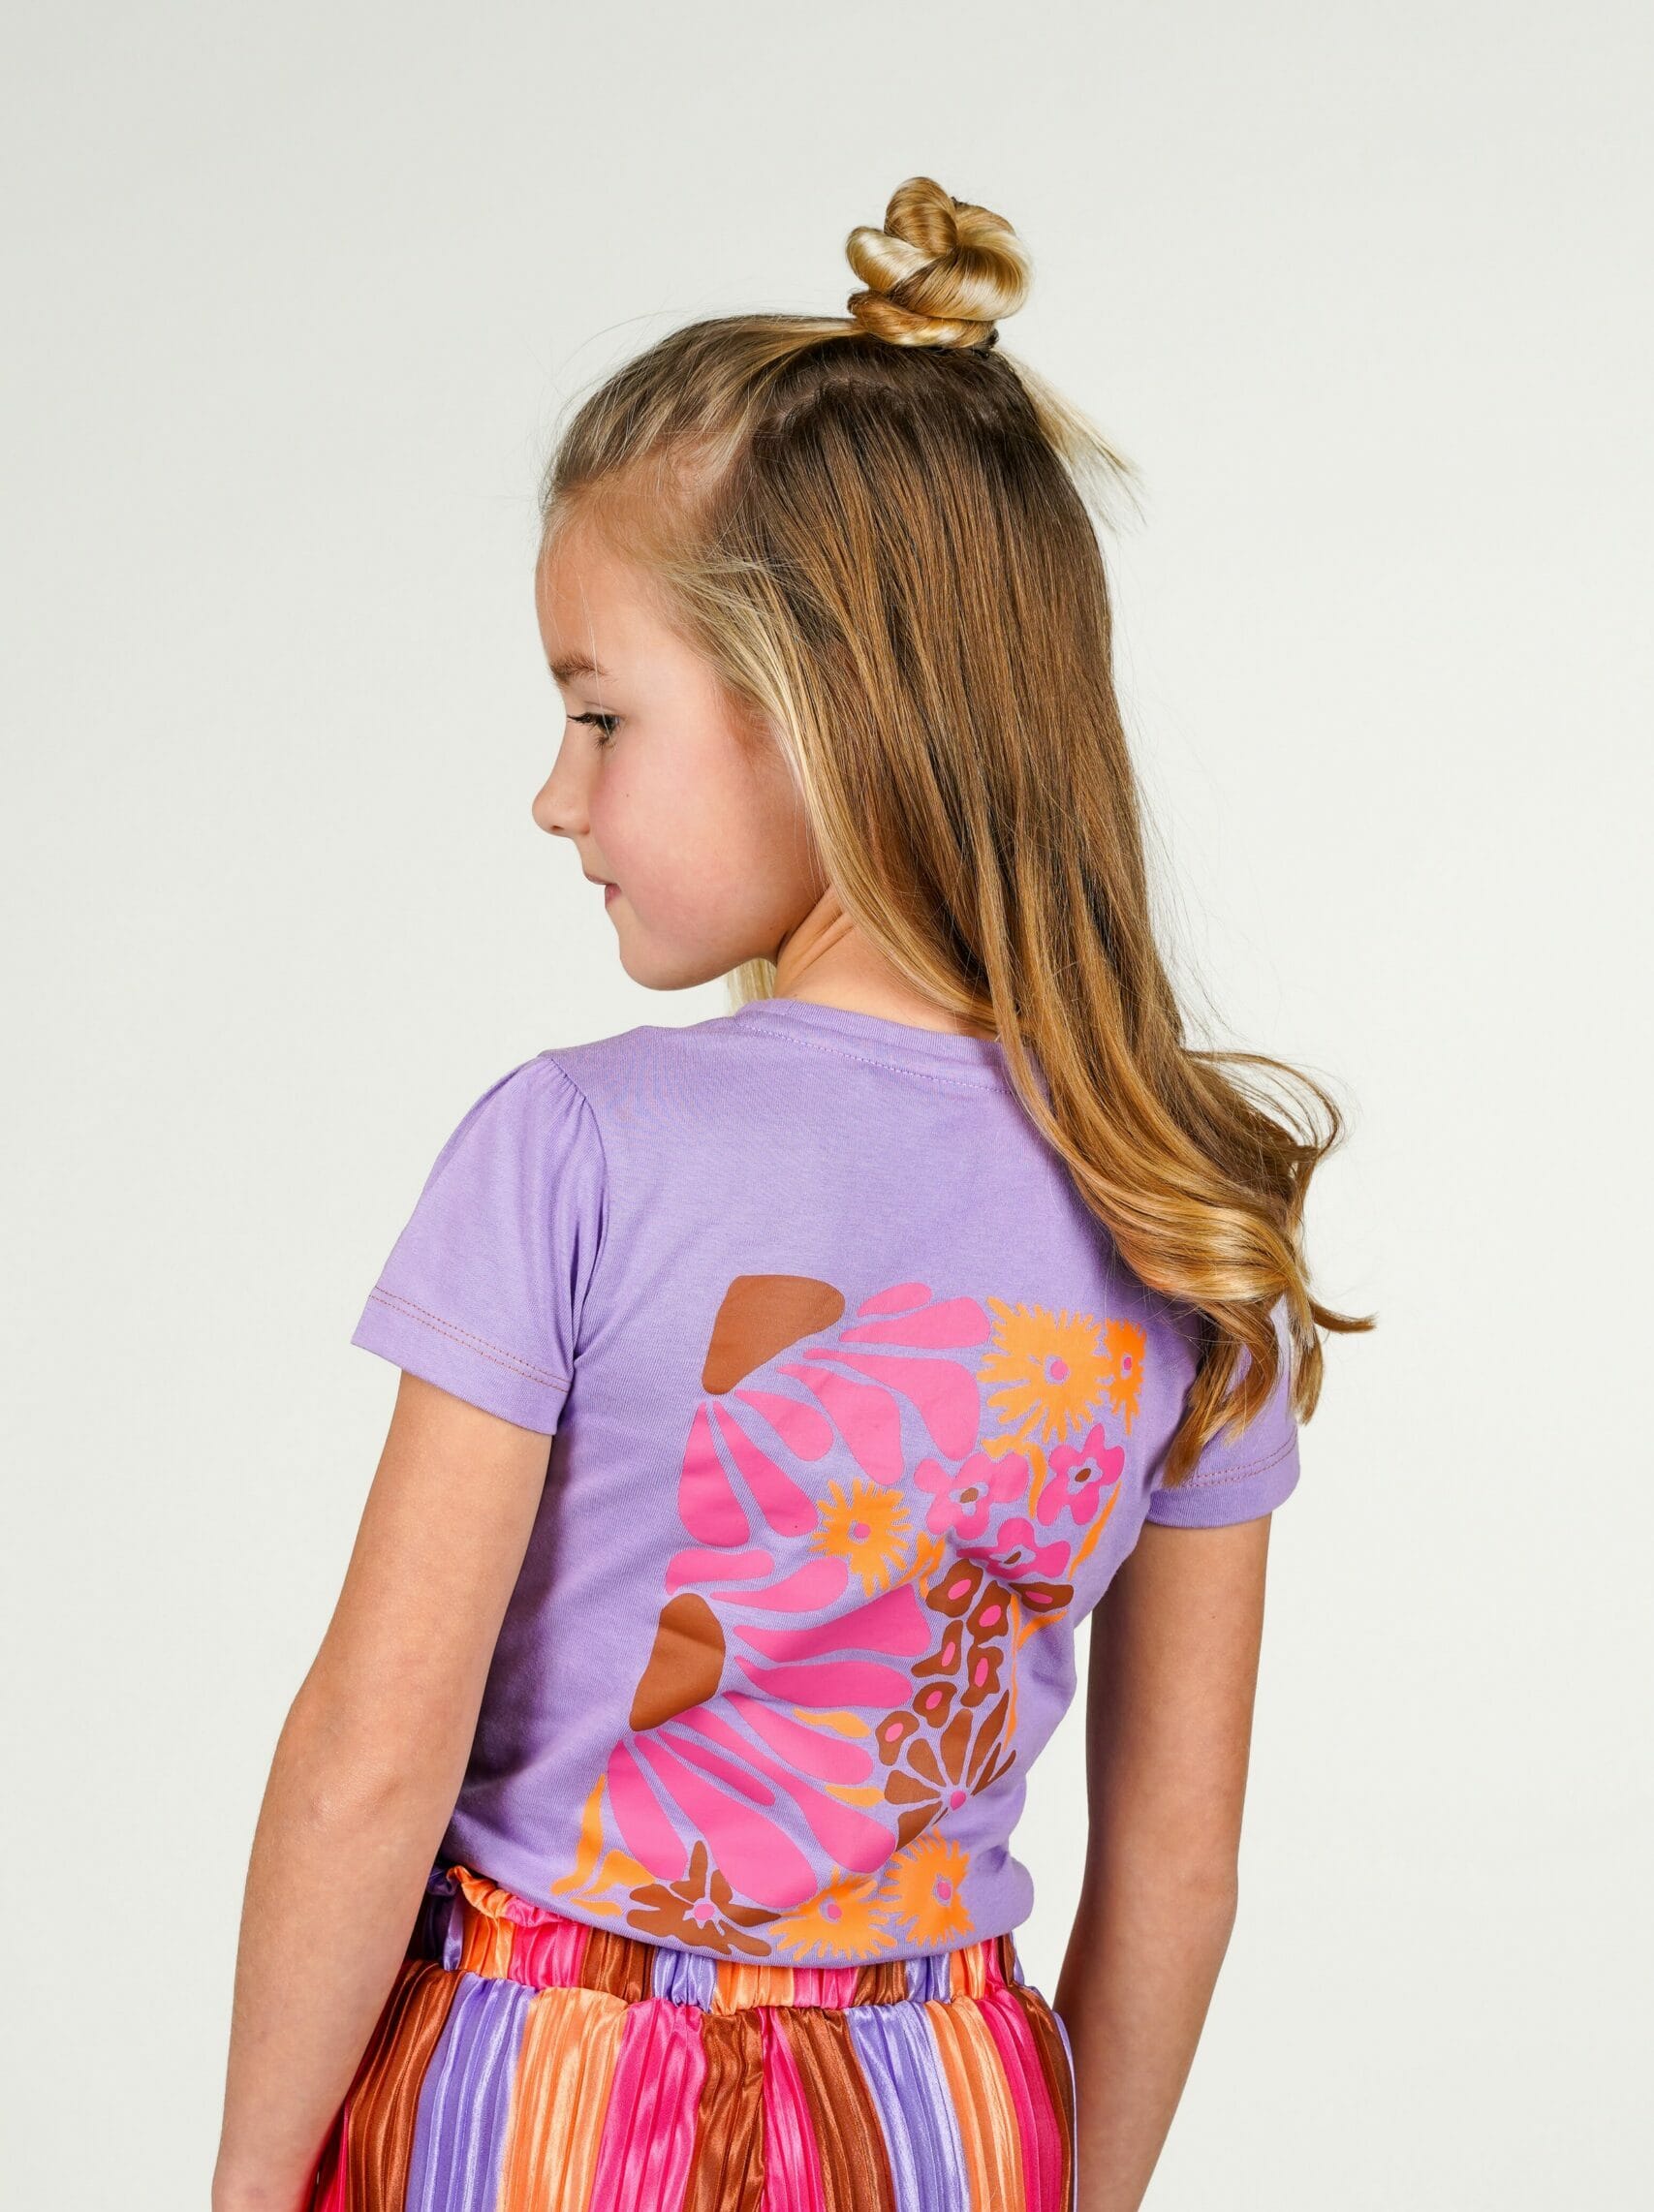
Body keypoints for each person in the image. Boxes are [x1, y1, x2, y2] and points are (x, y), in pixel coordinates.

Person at [213, 175, 1368, 2212]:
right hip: (946, 2107)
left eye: (598, 712)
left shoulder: (576, 1144)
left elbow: (369, 1758)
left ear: (815, 703)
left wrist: (244, 2184)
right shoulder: (1186, 1207)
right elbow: (1177, 1860)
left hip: (549, 2090)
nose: (555, 794)